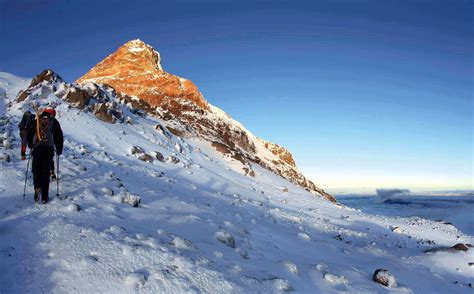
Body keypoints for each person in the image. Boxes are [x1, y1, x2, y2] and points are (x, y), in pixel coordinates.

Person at [27, 107, 63, 204]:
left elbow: (29, 133)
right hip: (48, 150)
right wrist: (59, 149)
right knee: (45, 172)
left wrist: (30, 144)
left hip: (37, 149)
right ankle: (44, 197)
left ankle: (37, 187)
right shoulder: (54, 122)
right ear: (53, 114)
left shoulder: (38, 119)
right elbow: (59, 136)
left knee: (36, 170)